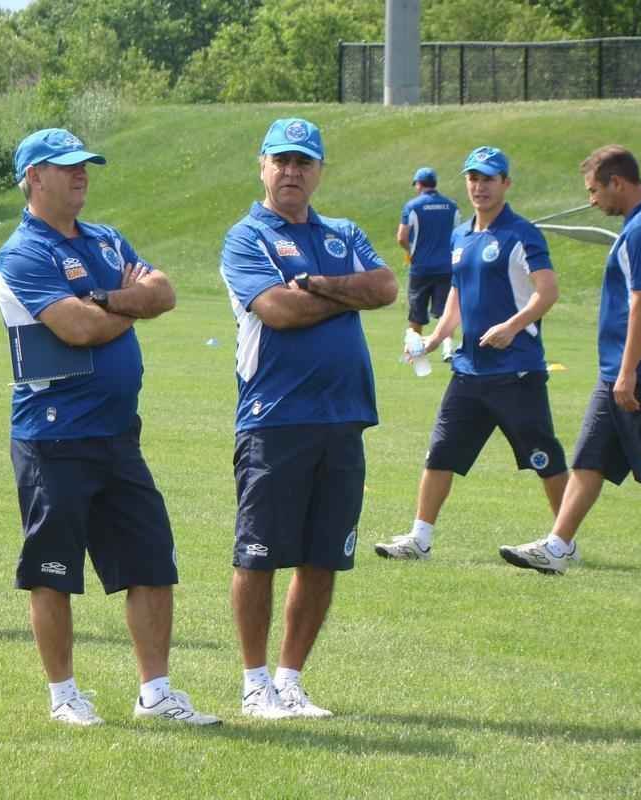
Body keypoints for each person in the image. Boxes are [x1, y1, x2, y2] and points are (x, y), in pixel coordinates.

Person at [0, 128, 220, 727]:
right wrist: (124, 300)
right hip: (53, 438)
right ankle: (64, 696)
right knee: (53, 571)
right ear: (34, 177)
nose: (82, 174)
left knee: (151, 561)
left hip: (119, 434)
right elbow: (77, 328)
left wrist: (110, 300)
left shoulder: (106, 238)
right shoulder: (23, 252)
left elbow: (163, 292)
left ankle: (157, 694)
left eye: (85, 165)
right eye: (67, 166)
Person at [220, 118, 397, 719]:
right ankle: (254, 685)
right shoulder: (247, 237)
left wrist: (318, 285)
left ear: (319, 170)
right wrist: (347, 294)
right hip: (274, 419)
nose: (292, 172)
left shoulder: (343, 232)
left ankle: (290, 680)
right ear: (262, 166)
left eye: (303, 162)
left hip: (343, 417)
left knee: (324, 557)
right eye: (282, 161)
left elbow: (386, 287)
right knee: (258, 554)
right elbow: (278, 310)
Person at [500, 146, 641, 579]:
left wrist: (629, 371)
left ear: (618, 182)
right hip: (618, 370)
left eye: (595, 190)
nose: (592, 200)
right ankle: (557, 547)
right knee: (589, 458)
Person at [375, 146, 568, 562]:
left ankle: (564, 541)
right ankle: (419, 539)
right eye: (473, 178)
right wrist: (433, 339)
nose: (480, 187)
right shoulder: (460, 235)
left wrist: (511, 326)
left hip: (517, 371)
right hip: (469, 371)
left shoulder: (522, 233)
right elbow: (457, 297)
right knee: (440, 452)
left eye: (488, 179)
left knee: (544, 457)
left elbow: (548, 291)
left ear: (506, 183)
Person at [398, 166, 462, 362]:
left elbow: (401, 237)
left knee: (416, 313)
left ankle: (414, 352)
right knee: (446, 311)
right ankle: (448, 350)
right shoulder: (451, 206)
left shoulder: (412, 206)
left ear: (419, 184)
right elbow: (458, 235)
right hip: (446, 267)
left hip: (421, 268)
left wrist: (411, 252)